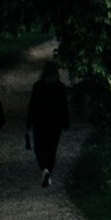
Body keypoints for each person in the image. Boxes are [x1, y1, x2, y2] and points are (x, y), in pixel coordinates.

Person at [26, 59, 72, 188]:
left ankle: (44, 168)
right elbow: (64, 107)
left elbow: (32, 106)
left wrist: (28, 123)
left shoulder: (38, 86)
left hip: (40, 121)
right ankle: (48, 171)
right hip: (55, 122)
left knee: (39, 148)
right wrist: (65, 122)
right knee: (52, 149)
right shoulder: (60, 87)